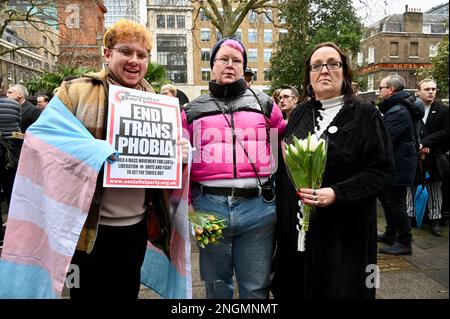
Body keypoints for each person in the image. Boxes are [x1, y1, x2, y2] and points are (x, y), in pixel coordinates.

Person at [52, 19, 189, 299]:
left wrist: (179, 155)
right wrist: (94, 152)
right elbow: (43, 145)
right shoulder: (74, 92)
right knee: (84, 294)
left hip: (137, 228)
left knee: (127, 293)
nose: (134, 61)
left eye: (142, 55)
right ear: (107, 53)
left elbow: (161, 166)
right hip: (87, 233)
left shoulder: (158, 102)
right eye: (126, 52)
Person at [272, 42, 394, 299]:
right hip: (298, 234)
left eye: (332, 64)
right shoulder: (300, 113)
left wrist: (338, 193)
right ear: (309, 75)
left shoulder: (365, 114)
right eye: (317, 66)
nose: (324, 70)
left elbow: (381, 171)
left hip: (344, 236)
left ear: (344, 71)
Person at [182, 37, 285, 299]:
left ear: (244, 67)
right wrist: (188, 206)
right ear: (212, 65)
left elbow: (282, 147)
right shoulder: (190, 111)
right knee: (216, 285)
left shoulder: (266, 105)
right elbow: (180, 163)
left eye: (236, 60)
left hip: (259, 209)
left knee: (256, 286)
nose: (229, 65)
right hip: (208, 208)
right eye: (223, 59)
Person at [377, 75, 424, 255]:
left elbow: (385, 139)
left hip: (399, 164)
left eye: (381, 87)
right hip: (397, 163)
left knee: (396, 202)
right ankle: (390, 233)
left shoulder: (398, 111)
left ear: (391, 89)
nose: (378, 91)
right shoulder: (399, 107)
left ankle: (405, 241)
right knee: (387, 199)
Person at [406, 79, 449, 236]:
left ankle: (435, 219)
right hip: (413, 155)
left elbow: (446, 131)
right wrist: (415, 144)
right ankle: (410, 216)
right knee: (411, 186)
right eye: (427, 89)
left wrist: (425, 143)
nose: (431, 91)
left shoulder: (443, 110)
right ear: (418, 91)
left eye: (433, 89)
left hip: (434, 156)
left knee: (435, 188)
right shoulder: (411, 109)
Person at [0, 75, 21, 247]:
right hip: (12, 153)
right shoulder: (14, 104)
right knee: (12, 190)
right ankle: (16, 232)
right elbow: (17, 126)